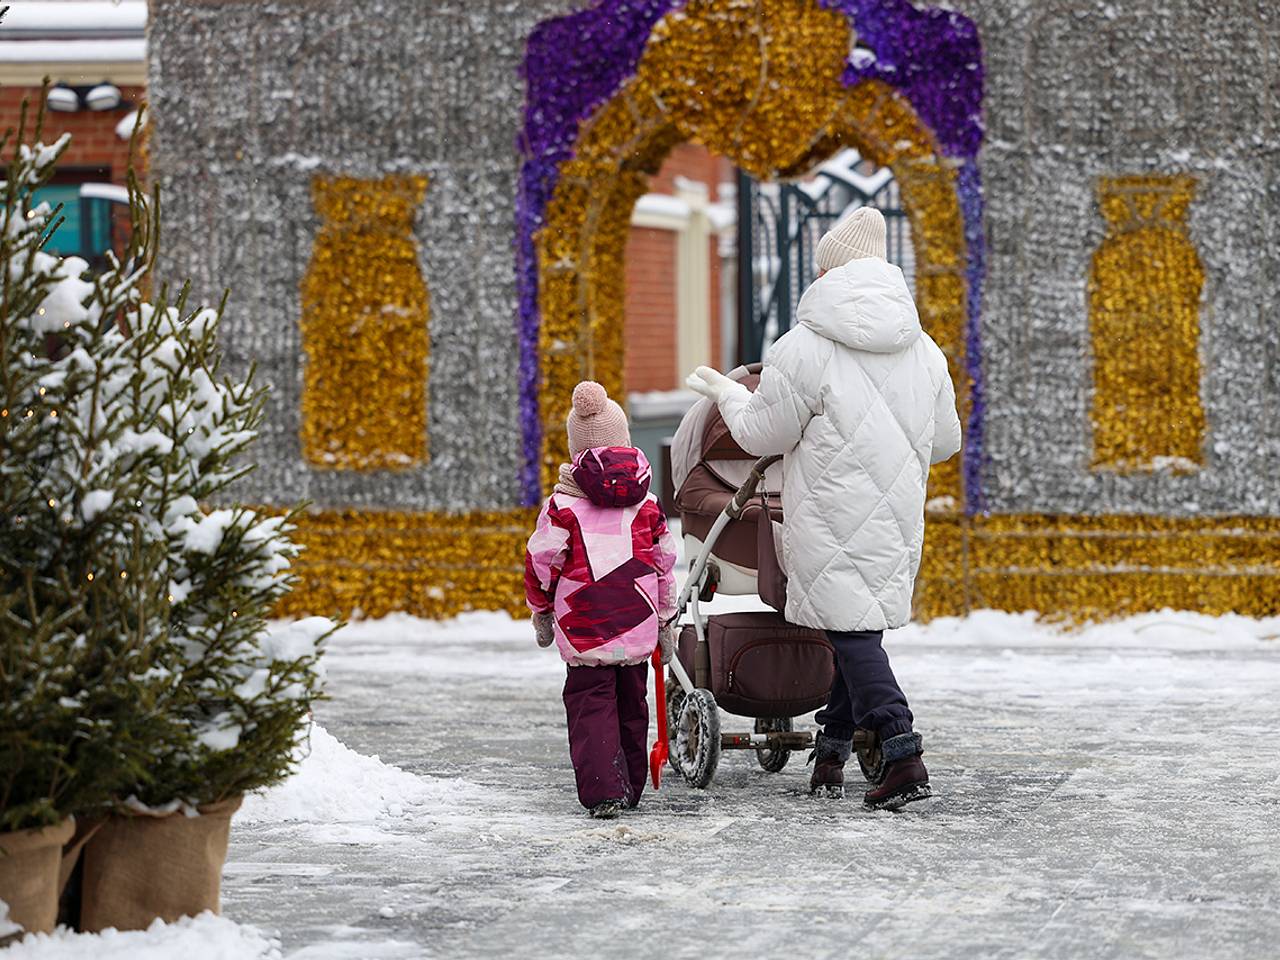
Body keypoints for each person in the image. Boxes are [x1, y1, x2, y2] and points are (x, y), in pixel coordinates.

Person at [685, 207, 961, 810]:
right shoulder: (925, 350)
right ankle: (831, 754)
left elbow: (761, 435)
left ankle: (902, 752)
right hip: (895, 511)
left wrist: (730, 392)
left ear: (827, 271)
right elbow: (946, 441)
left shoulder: (804, 347)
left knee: (853, 633)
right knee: (851, 626)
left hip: (831, 511)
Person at [524, 381, 679, 819]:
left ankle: (603, 789)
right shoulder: (647, 503)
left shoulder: (563, 506)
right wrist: (665, 620)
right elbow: (665, 564)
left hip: (584, 625)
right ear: (625, 441)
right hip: (636, 621)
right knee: (632, 704)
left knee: (591, 704)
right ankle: (629, 786)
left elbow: (542, 559)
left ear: (576, 450)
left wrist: (541, 609)